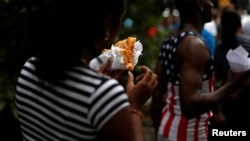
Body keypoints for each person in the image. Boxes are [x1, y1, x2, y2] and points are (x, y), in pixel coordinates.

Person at [15, 0, 158, 141]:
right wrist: (133, 105)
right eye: (120, 21)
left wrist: (97, 82)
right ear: (107, 25)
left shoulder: (29, 68)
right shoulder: (104, 95)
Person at [151, 0, 250, 141]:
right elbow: (190, 105)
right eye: (209, 0)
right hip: (188, 134)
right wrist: (230, 86)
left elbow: (158, 90)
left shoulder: (171, 38)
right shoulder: (194, 45)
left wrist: (157, 129)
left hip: (166, 129)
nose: (212, 5)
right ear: (199, 4)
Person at [214, 9, 250, 131]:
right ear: (239, 25)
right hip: (246, 99)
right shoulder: (246, 42)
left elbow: (215, 80)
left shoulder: (218, 49)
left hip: (227, 100)